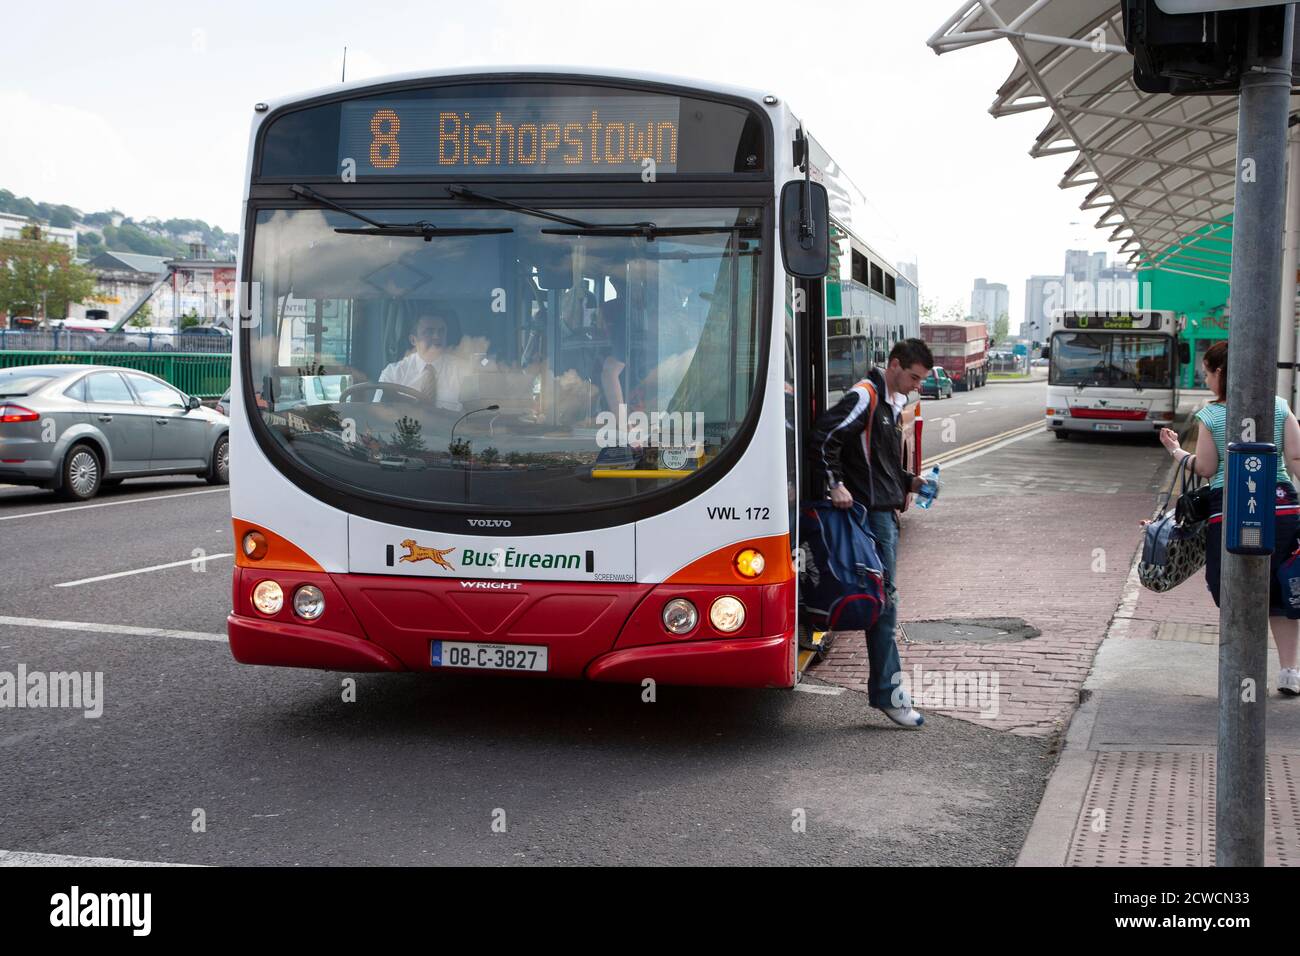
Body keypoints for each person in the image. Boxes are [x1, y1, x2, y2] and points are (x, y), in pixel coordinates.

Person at [1159, 340, 1300, 696]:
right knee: (1282, 589)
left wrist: (1176, 451)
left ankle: (1240, 675)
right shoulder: (1280, 407)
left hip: (1232, 511)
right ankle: (1289, 672)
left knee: (1234, 589)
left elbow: (1206, 468)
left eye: (1206, 372)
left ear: (1221, 372)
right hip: (1281, 508)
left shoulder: (1211, 416)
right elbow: (1296, 459)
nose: (1206, 379)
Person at [812, 338, 936, 728]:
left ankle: (889, 693)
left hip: (883, 515)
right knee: (884, 604)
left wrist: (913, 482)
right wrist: (834, 484)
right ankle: (890, 694)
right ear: (895, 365)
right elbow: (822, 438)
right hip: (872, 518)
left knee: (882, 603)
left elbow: (878, 466)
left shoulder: (887, 404)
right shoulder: (865, 397)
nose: (918, 385)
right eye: (914, 377)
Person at [378, 308, 465, 412]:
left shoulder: (463, 370)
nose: (437, 336)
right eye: (429, 332)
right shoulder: (393, 373)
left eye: (441, 331)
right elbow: (377, 415)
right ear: (413, 340)